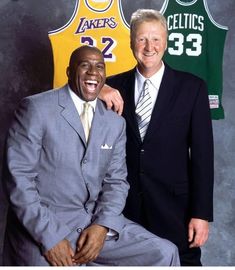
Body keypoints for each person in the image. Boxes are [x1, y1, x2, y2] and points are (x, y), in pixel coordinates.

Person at [2, 45, 180, 266]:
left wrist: (102, 225)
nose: (93, 72)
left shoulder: (115, 122)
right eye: (84, 65)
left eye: (99, 67)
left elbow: (116, 182)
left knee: (164, 252)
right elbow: (17, 180)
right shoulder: (36, 109)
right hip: (47, 226)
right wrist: (50, 238)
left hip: (93, 224)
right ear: (69, 72)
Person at [99, 9, 214, 266]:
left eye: (156, 39)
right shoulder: (113, 87)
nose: (149, 46)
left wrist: (201, 214)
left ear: (166, 42)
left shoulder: (192, 88)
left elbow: (203, 156)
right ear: (131, 43)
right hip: (125, 207)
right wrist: (99, 88)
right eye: (141, 39)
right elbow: (73, 95)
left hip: (175, 208)